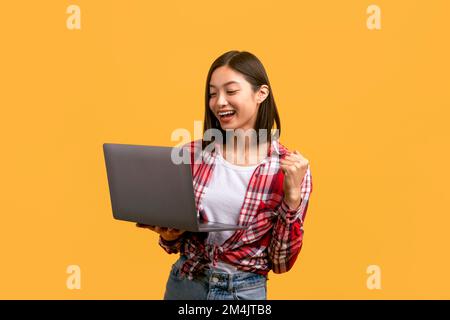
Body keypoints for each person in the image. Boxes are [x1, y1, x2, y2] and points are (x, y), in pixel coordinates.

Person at [136, 50, 313, 300]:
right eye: (212, 93)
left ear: (261, 93)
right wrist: (169, 234)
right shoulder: (190, 155)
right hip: (186, 285)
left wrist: (292, 198)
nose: (219, 102)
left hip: (243, 293)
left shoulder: (289, 169)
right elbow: (172, 245)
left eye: (230, 92)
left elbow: (281, 262)